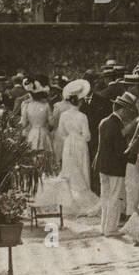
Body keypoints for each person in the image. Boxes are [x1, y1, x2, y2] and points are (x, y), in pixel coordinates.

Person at [53, 83, 99, 218]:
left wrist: (69, 138)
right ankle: (82, 200)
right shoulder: (82, 116)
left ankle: (69, 200)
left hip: (68, 143)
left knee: (69, 169)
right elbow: (87, 136)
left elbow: (61, 132)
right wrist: (79, 137)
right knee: (81, 170)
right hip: (80, 144)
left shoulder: (64, 115)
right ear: (79, 101)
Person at [94, 91, 136, 236]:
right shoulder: (116, 125)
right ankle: (111, 229)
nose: (128, 114)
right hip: (114, 167)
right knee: (114, 198)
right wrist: (132, 156)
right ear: (122, 110)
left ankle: (104, 227)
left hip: (102, 165)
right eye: (128, 111)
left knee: (105, 196)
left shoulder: (104, 121)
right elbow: (120, 150)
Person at [20, 82, 54, 153]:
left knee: (33, 154)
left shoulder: (26, 106)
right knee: (45, 156)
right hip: (44, 133)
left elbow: (23, 124)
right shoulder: (46, 105)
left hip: (32, 133)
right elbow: (52, 123)